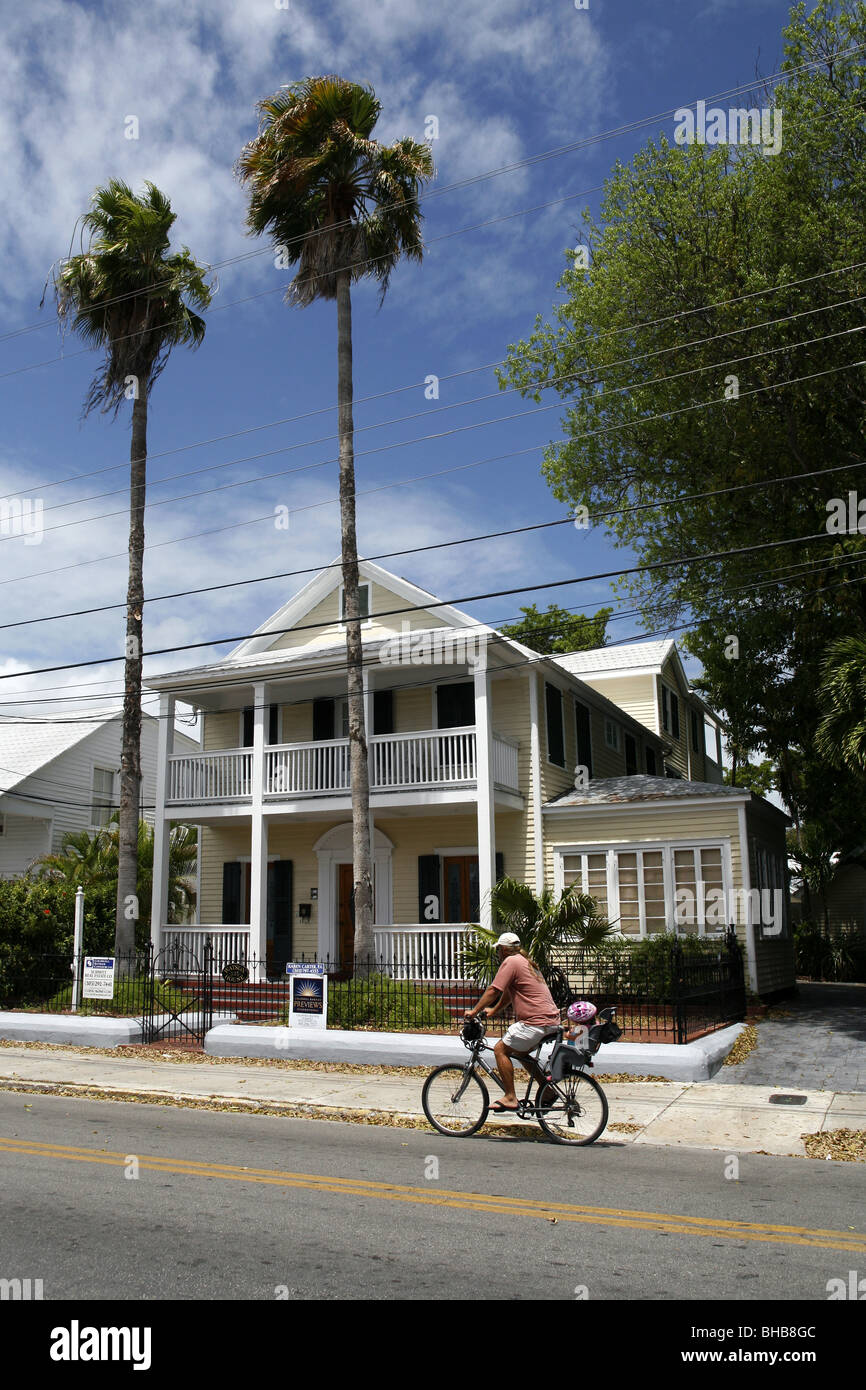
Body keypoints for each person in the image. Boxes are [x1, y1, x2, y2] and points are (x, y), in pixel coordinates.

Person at [464, 932, 561, 1113]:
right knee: (520, 1053)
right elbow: (509, 993)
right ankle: (547, 1090)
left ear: (503, 950)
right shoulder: (525, 962)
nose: (498, 954)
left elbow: (494, 990)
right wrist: (493, 1011)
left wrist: (474, 1010)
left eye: (498, 950)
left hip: (535, 1022)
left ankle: (510, 1097)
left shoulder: (511, 962)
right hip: (550, 1021)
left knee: (501, 1049)